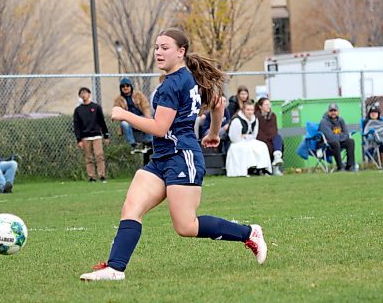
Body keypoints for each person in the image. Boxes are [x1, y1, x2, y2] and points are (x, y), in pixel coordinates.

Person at [80, 28, 267, 281]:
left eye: (165, 47)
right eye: (156, 47)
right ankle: (115, 268)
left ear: (181, 52)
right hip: (162, 158)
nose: (158, 52)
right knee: (131, 207)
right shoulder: (186, 78)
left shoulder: (174, 83)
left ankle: (249, 233)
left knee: (186, 226)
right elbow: (218, 104)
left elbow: (159, 127)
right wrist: (213, 133)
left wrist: (125, 115)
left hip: (182, 157)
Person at [226, 100, 272, 177]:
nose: (250, 112)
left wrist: (245, 136)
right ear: (243, 110)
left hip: (249, 140)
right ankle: (243, 171)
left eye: (252, 110)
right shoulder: (237, 120)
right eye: (248, 110)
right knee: (244, 148)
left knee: (262, 145)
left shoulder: (255, 119)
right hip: (236, 144)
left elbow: (254, 135)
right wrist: (243, 137)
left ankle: (262, 168)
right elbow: (234, 138)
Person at [73, 87, 110, 183]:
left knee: (99, 155)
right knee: (89, 157)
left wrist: (106, 136)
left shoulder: (96, 107)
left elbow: (102, 122)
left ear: (89, 94)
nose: (83, 95)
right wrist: (79, 140)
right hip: (85, 137)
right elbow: (77, 126)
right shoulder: (78, 110)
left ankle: (102, 176)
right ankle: (91, 177)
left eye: (85, 92)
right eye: (81, 93)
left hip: (97, 136)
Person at [113, 78, 152, 153]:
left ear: (131, 86)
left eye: (127, 85)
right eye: (123, 86)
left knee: (149, 120)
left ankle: (148, 142)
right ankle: (134, 145)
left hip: (140, 117)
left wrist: (147, 115)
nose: (125, 88)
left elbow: (146, 106)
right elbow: (116, 112)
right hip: (128, 120)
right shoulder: (118, 100)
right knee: (124, 123)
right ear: (120, 88)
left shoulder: (138, 95)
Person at [318, 103, 356, 171]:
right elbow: (329, 137)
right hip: (327, 145)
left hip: (338, 142)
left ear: (338, 112)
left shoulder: (341, 120)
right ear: (328, 112)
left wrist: (339, 137)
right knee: (335, 143)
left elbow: (346, 134)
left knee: (350, 142)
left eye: (334, 111)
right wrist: (341, 136)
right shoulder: (324, 122)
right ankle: (340, 167)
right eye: (331, 111)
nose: (333, 113)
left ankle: (350, 166)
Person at [255, 97, 284, 176]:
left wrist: (270, 137)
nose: (269, 106)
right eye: (266, 105)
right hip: (261, 140)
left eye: (269, 104)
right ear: (260, 106)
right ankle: (265, 170)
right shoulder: (256, 117)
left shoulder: (273, 116)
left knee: (278, 137)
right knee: (266, 146)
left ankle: (277, 158)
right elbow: (259, 131)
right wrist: (267, 139)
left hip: (271, 138)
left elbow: (273, 129)